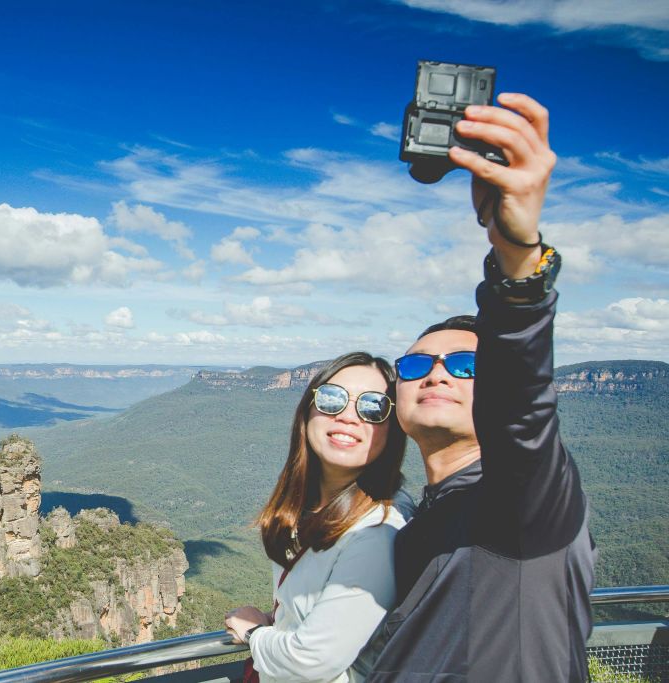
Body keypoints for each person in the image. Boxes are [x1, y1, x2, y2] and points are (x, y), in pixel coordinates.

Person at [368, 93, 596, 681]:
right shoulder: (422, 519)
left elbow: (523, 413)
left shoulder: (523, 500)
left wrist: (516, 259)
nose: (437, 372)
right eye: (415, 366)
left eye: (466, 366)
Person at [226, 352, 411, 683]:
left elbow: (311, 660)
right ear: (308, 411)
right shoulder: (311, 506)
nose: (348, 416)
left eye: (373, 407)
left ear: (392, 429)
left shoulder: (376, 532)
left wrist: (255, 634)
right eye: (331, 399)